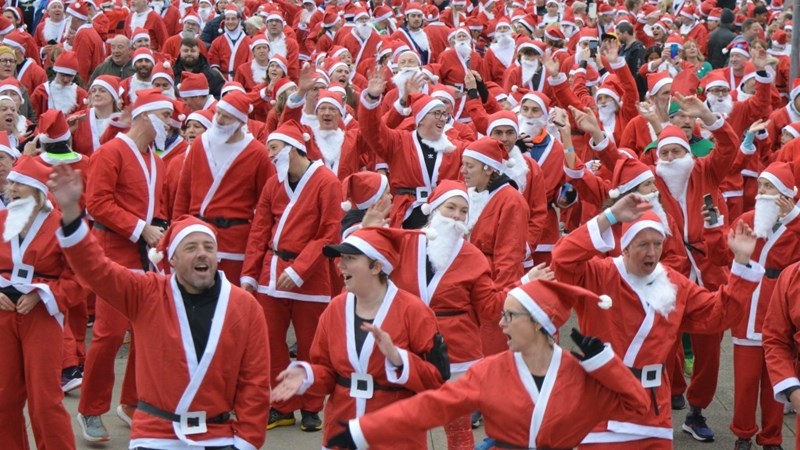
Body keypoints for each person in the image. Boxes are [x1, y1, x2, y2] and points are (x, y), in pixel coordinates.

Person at [48, 165, 271, 450]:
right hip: (156, 433)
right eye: (190, 248)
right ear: (172, 260)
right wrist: (70, 212)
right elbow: (96, 270)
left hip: (218, 434)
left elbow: (255, 381)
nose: (202, 253)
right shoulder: (146, 293)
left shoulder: (244, 306)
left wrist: (247, 442)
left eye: (209, 247)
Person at [325, 280, 650, 449]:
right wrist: (364, 430)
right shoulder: (490, 371)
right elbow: (430, 407)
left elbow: (637, 404)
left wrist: (604, 363)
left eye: (510, 316)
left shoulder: (581, 376)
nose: (502, 323)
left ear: (538, 323)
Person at [551, 192, 763, 449]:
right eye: (643, 244)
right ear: (625, 246)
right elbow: (563, 257)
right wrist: (611, 216)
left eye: (657, 244)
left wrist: (741, 263)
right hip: (601, 406)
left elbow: (718, 315)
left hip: (653, 409)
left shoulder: (674, 283)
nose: (652, 252)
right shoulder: (599, 274)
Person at [271, 226, 447, 448]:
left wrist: (398, 359)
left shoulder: (414, 311)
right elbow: (326, 371)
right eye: (341, 258)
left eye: (350, 258)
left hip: (396, 434)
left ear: (376, 267)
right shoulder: (335, 309)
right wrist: (308, 375)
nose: (340, 265)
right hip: (341, 431)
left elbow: (437, 380)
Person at [75, 89, 172, 442]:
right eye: (165, 116)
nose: (170, 124)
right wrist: (140, 228)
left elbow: (158, 207)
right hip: (112, 253)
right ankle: (90, 408)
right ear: (146, 116)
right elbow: (97, 204)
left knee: (146, 333)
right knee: (110, 333)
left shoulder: (156, 160)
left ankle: (132, 402)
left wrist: (159, 231)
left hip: (145, 255)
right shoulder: (110, 152)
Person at [241, 120, 342, 431]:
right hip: (271, 273)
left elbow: (329, 232)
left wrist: (300, 269)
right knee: (269, 343)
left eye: (274, 148)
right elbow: (260, 230)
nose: (270, 155)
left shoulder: (326, 182)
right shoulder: (274, 184)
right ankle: (282, 405)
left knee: (312, 346)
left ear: (293, 149)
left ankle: (311, 406)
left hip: (310, 276)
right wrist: (249, 275)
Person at [0, 156, 81, 450]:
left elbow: (81, 278)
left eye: (18, 184)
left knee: (45, 399)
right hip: (3, 313)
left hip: (43, 314)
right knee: (3, 397)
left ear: (37, 191)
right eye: (10, 184)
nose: (11, 189)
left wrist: (41, 294)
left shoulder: (61, 225)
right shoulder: (1, 220)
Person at [730, 163, 800, 450]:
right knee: (745, 381)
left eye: (769, 187)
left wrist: (794, 218)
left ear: (785, 194)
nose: (761, 193)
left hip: (781, 308)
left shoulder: (796, 222)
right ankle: (743, 434)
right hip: (748, 308)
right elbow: (723, 252)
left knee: (776, 381)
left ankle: (772, 437)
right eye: (760, 186)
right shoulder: (747, 219)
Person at [173, 90, 274, 284]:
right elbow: (183, 194)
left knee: (230, 297)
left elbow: (266, 206)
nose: (219, 120)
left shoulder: (257, 153)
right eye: (218, 113)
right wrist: (177, 231)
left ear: (240, 122)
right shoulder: (200, 144)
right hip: (198, 233)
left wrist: (255, 254)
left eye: (226, 117)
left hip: (235, 243)